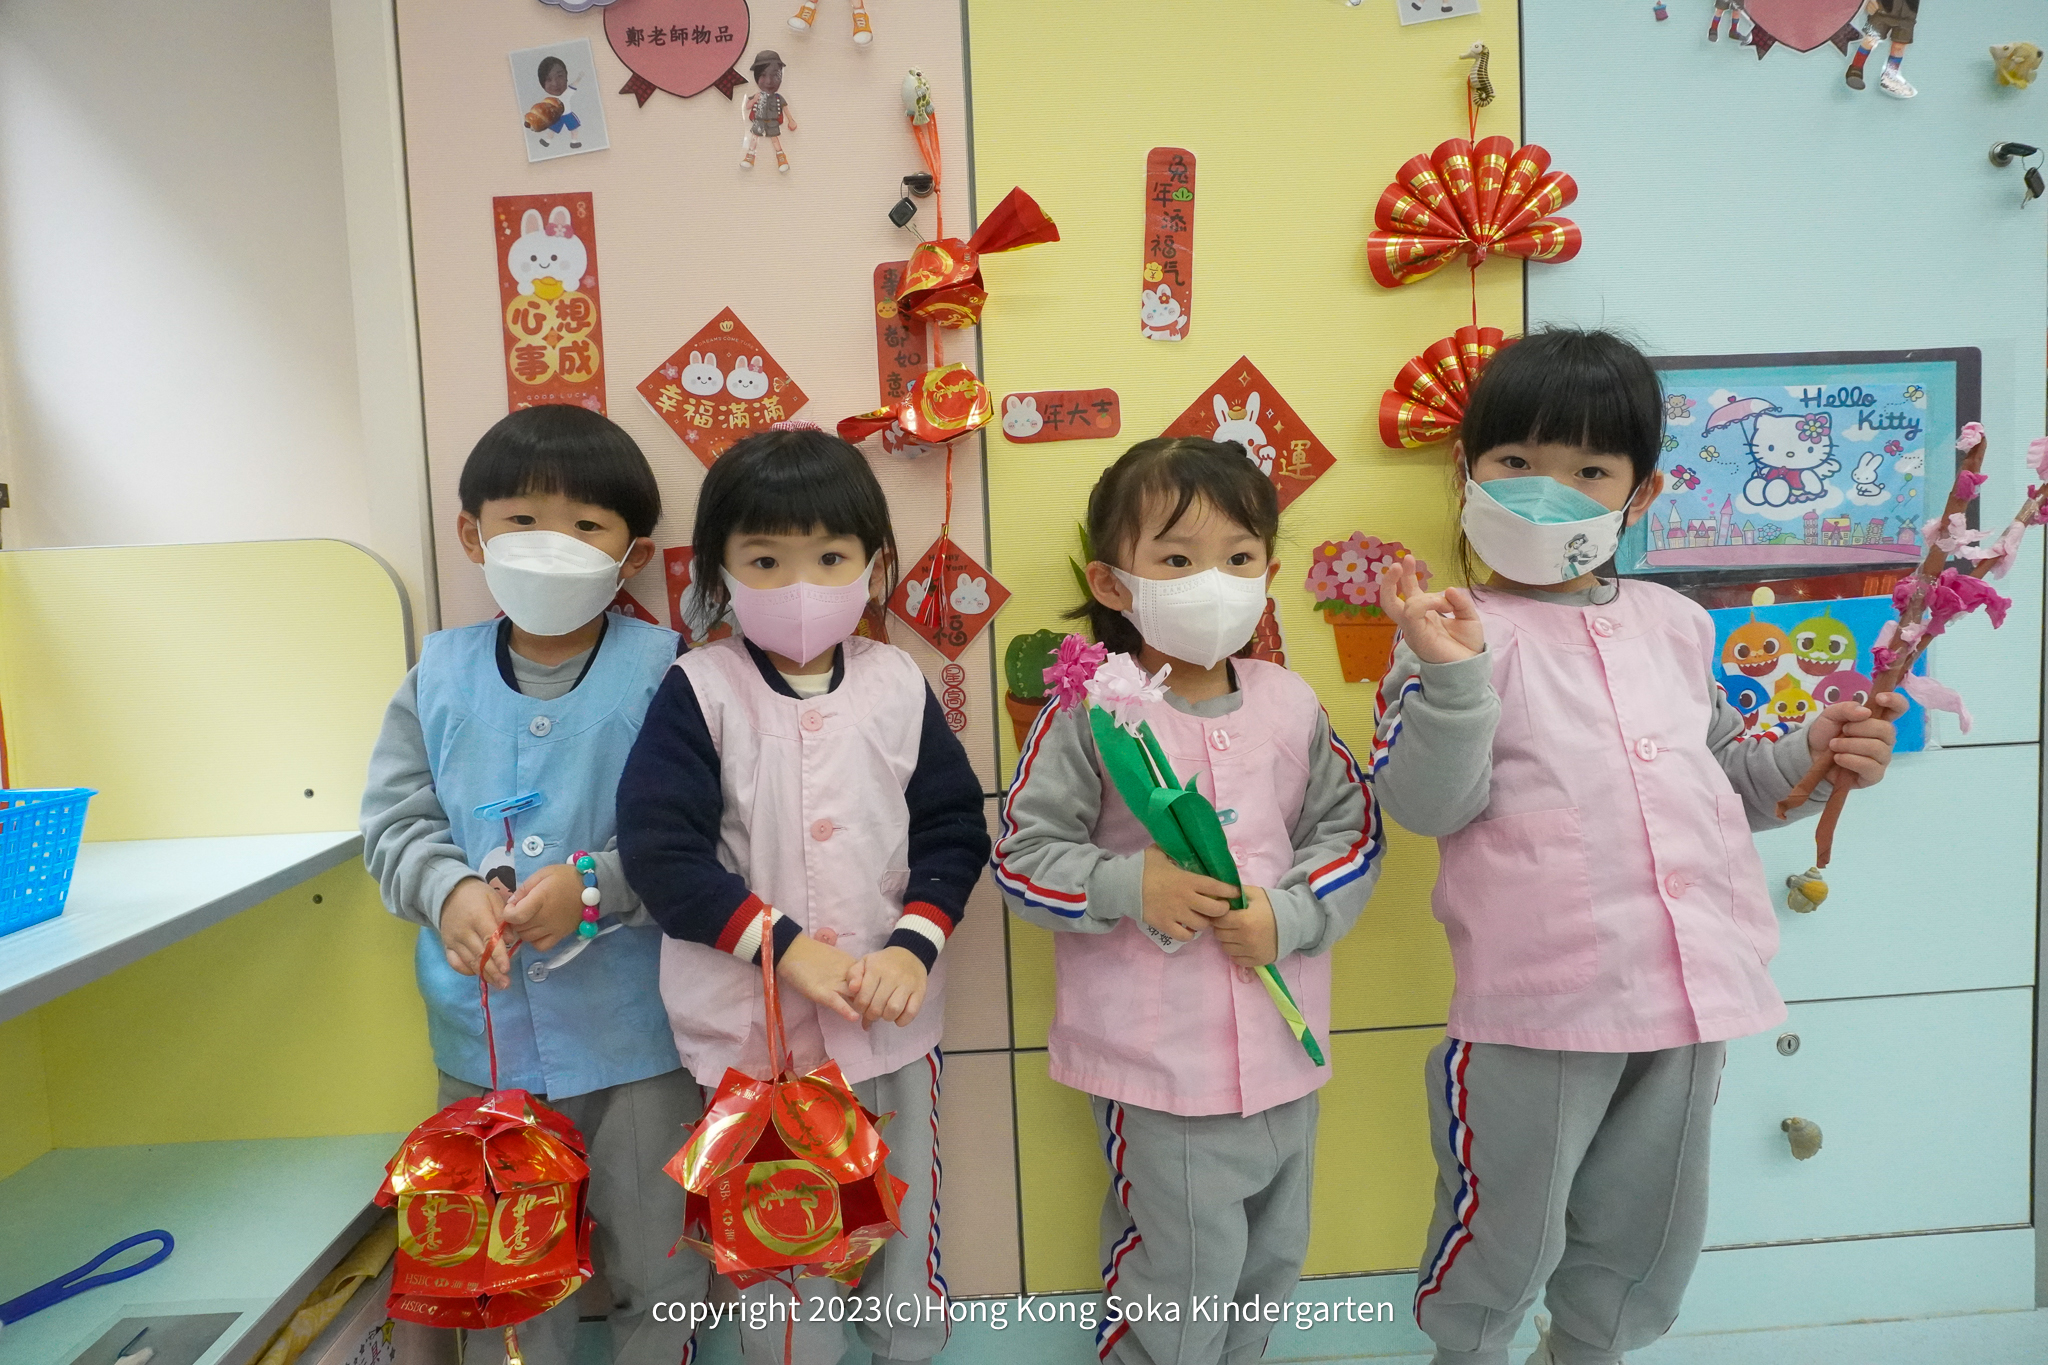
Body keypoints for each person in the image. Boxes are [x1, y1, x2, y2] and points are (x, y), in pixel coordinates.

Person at [1368, 329, 1904, 1365]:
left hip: (1690, 993)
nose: (1545, 492)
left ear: (1641, 493)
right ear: (1466, 471)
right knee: (1503, 1235)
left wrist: (1815, 753)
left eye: (1588, 471)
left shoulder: (1675, 625)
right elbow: (1427, 804)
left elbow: (1729, 781)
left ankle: (1589, 1350)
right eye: (1515, 461)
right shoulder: (1450, 632)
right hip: (1539, 1006)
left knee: (1646, 1236)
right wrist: (1455, 680)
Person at [991, 437, 1381, 1365]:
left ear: (1268, 576)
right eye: (1177, 559)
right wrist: (1133, 884)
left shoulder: (1291, 702)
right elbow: (1022, 858)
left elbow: (1353, 834)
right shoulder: (1093, 709)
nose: (1213, 581)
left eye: (1239, 558)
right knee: (1180, 1275)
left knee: (1271, 1262)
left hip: (1287, 1055)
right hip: (1156, 1068)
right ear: (1113, 582)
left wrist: (1292, 914)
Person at [617, 425, 988, 1365]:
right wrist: (786, 947)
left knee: (899, 1228)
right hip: (757, 1047)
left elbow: (953, 829)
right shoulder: (699, 690)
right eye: (765, 560)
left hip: (888, 1025)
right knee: (784, 1249)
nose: (799, 584)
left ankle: (905, 1349)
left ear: (873, 564)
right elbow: (664, 857)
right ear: (720, 571)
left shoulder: (896, 682)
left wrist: (913, 944)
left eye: (829, 558)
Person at [360, 404, 704, 1365]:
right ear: (473, 535)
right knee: (506, 1276)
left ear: (633, 556)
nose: (553, 543)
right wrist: (446, 890)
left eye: (586, 525)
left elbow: (700, 836)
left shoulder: (669, 672)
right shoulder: (436, 675)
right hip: (486, 1043)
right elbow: (394, 821)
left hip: (637, 1036)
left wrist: (597, 886)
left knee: (660, 1259)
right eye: (522, 520)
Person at [1846, 0, 1918, 98]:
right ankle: (1855, 68)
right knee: (1870, 38)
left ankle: (1890, 76)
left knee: (1899, 45)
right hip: (1881, 10)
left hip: (1907, 14)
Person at [741, 50, 797, 172]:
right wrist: (754, 100)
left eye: (774, 75)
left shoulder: (778, 98)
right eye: (763, 75)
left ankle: (781, 158)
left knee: (775, 139)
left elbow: (785, 108)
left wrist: (791, 120)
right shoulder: (757, 95)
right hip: (759, 121)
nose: (769, 81)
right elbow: (748, 106)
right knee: (754, 138)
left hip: (773, 122)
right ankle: (750, 157)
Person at [535, 54, 583, 148]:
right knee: (552, 129)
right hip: (557, 116)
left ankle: (574, 142)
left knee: (573, 129)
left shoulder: (567, 93)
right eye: (548, 79)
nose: (555, 84)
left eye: (559, 76)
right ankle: (547, 141)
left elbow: (574, 84)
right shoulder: (549, 98)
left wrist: (579, 77)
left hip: (567, 114)